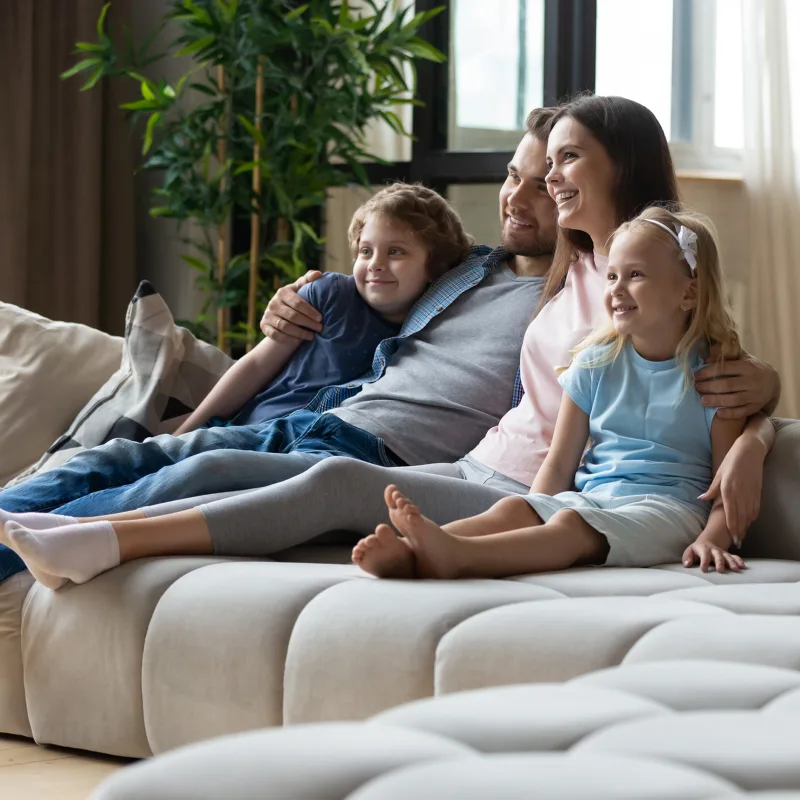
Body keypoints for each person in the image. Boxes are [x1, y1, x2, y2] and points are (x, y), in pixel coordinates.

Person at [0, 96, 780, 589]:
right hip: (479, 463)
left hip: (522, 490)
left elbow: (713, 367)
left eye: (565, 163)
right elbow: (395, 289)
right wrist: (300, 303)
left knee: (333, 481)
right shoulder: (566, 266)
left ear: (624, 166)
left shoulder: (649, 277)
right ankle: (80, 532)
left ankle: (97, 540)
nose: (544, 184)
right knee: (211, 461)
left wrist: (755, 432)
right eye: (542, 168)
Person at [0, 109, 560, 582]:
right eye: (514, 175)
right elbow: (386, 269)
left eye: (544, 185)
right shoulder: (468, 270)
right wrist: (297, 298)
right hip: (323, 418)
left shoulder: (573, 296)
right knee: (125, 455)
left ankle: (25, 547)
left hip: (380, 454)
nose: (516, 197)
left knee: (193, 476)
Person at [352, 207, 776, 580]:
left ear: (688, 293)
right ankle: (414, 552)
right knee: (515, 509)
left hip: (669, 510)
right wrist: (533, 508)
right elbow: (557, 468)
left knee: (570, 528)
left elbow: (726, 485)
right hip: (593, 497)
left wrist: (713, 540)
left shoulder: (717, 378)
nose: (617, 288)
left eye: (636, 275)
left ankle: (458, 557)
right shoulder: (592, 364)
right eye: (612, 275)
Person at [174, 182, 473, 434]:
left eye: (395, 251)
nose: (375, 265)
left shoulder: (437, 333)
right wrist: (185, 432)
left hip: (314, 448)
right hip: (251, 429)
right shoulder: (330, 294)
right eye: (365, 251)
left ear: (436, 265)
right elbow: (255, 365)